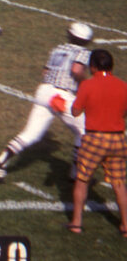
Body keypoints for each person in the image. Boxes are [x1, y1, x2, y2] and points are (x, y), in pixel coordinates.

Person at [0, 21, 92, 183]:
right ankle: (76, 173)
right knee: (84, 132)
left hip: (44, 91)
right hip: (61, 95)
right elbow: (76, 70)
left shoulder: (58, 49)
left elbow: (45, 72)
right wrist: (85, 85)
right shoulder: (83, 52)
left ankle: (1, 159)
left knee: (31, 133)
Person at [65, 49, 127, 236]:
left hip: (94, 138)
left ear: (92, 67)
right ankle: (125, 225)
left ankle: (76, 223)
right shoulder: (123, 86)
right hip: (118, 139)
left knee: (82, 180)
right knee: (119, 183)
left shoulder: (88, 85)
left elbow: (75, 111)